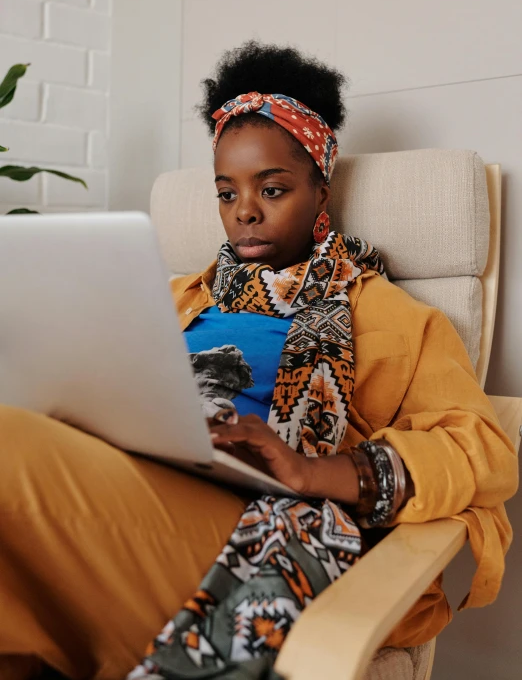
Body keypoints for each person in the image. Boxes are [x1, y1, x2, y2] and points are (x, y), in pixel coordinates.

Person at [0, 43, 517, 680]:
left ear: (320, 188)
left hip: (251, 524)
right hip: (125, 476)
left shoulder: (393, 316)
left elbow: (484, 450)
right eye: (225, 193)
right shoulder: (169, 296)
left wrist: (312, 472)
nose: (243, 210)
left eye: (272, 189)